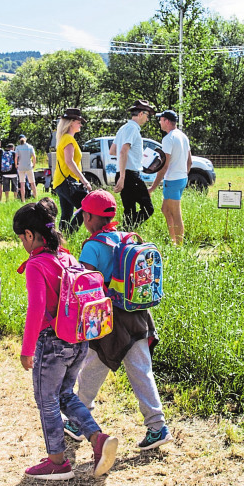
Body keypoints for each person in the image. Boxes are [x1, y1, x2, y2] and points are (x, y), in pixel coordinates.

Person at [14, 198, 119, 480]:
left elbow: (36, 308)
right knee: (64, 395)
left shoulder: (38, 264)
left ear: (29, 235)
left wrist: (27, 349)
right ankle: (97, 439)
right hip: (79, 341)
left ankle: (57, 461)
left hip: (52, 343)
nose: (23, 244)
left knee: (46, 398)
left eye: (21, 238)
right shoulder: (67, 257)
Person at [71, 190, 172, 451]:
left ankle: (77, 419)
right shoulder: (125, 238)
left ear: (91, 217)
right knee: (140, 371)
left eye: (84, 213)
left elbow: (87, 287)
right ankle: (157, 426)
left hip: (109, 320)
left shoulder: (93, 246)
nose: (82, 217)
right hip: (138, 316)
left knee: (92, 367)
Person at [112, 100, 155, 229]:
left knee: (129, 210)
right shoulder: (132, 129)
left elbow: (112, 150)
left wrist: (133, 158)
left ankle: (125, 234)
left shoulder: (123, 128)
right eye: (147, 116)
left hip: (123, 173)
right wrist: (124, 176)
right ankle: (126, 229)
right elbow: (123, 151)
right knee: (148, 208)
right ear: (141, 114)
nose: (147, 119)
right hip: (129, 175)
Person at [151, 109, 191, 245]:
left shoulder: (168, 139)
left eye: (161, 120)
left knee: (175, 213)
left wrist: (152, 187)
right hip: (181, 179)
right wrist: (184, 175)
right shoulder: (183, 136)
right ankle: (173, 240)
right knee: (165, 209)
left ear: (167, 121)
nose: (159, 123)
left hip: (173, 180)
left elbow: (164, 165)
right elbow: (189, 161)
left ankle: (179, 246)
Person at [52, 108, 92, 233]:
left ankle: (60, 241)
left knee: (66, 215)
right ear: (71, 123)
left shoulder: (63, 138)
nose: (81, 124)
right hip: (67, 181)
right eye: (79, 121)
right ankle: (68, 236)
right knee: (85, 209)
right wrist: (84, 180)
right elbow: (70, 162)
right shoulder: (68, 139)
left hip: (61, 182)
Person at [14, 134, 37, 201]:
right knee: (32, 183)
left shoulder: (18, 147)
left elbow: (16, 157)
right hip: (29, 166)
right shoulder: (30, 147)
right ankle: (35, 198)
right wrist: (34, 165)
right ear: (25, 139)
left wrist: (16, 165)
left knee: (22, 184)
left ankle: (23, 199)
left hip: (21, 167)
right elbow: (34, 157)